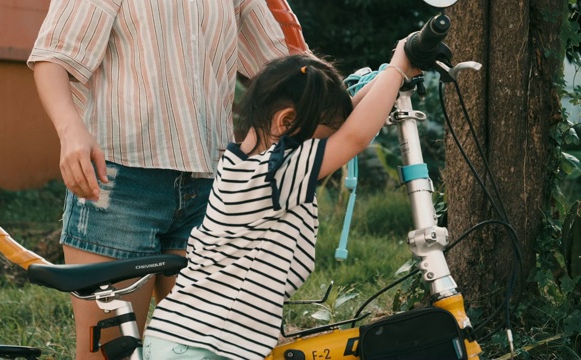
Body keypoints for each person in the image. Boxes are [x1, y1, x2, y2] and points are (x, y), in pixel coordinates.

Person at [27, 1, 304, 359]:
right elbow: (53, 59)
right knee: (112, 355)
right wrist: (71, 132)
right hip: (119, 186)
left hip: (209, 187)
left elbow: (285, 69)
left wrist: (378, 83)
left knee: (209, 351)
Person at [143, 40, 421, 359]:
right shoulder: (275, 174)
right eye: (321, 144)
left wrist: (391, 76)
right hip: (203, 346)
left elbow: (346, 128)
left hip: (186, 339)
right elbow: (353, 137)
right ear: (286, 123)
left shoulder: (244, 167)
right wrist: (398, 64)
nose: (327, 155)